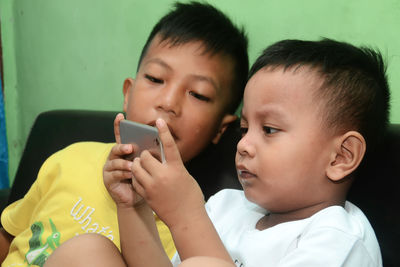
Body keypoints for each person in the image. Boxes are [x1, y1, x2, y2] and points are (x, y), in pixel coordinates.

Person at [56, 38, 388, 267]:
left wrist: (186, 214)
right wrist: (134, 205)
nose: (243, 144)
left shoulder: (338, 240)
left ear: (341, 157)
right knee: (87, 250)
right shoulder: (226, 207)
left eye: (269, 130)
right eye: (244, 129)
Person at [0, 2, 249, 266]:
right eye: (155, 79)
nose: (168, 102)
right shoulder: (71, 158)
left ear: (221, 128)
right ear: (128, 94)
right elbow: (9, 235)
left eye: (198, 94)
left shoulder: (191, 232)